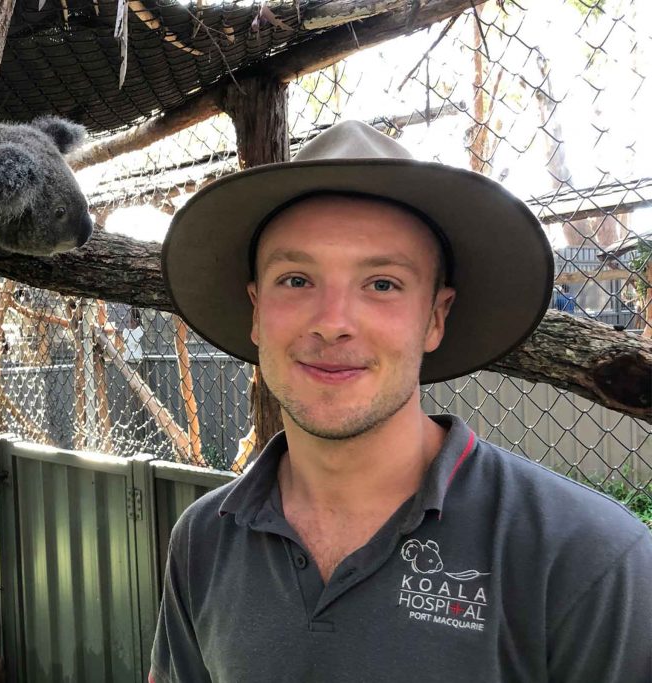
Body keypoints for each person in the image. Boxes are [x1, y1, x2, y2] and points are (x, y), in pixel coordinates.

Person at [152, 120, 652, 682]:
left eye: (382, 284)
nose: (333, 323)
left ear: (435, 318)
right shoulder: (203, 541)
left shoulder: (588, 560)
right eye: (296, 280)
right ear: (255, 311)